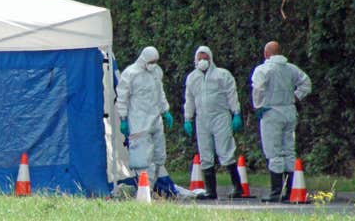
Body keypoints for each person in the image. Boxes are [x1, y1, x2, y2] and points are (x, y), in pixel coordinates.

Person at [251, 41, 311, 202]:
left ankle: (276, 192)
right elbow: (306, 84)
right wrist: (295, 97)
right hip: (289, 112)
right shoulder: (291, 68)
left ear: (266, 54)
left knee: (274, 152)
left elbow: (258, 89)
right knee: (289, 151)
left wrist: (258, 107)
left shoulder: (264, 69)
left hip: (271, 113)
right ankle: (291, 191)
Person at [183, 45, 244, 199]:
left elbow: (231, 94)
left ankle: (237, 187)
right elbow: (189, 100)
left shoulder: (222, 75)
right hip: (201, 118)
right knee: (205, 153)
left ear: (210, 59)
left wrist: (236, 112)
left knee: (226, 150)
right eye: (200, 58)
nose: (202, 61)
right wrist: (187, 118)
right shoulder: (192, 78)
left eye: (205, 58)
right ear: (195, 60)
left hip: (220, 116)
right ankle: (211, 191)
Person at [116, 46, 174, 188]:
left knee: (159, 157)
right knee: (142, 159)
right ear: (144, 58)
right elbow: (122, 97)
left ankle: (151, 188)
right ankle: (144, 190)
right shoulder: (130, 73)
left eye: (156, 61)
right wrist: (123, 119)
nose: (153, 64)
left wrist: (165, 111)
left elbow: (160, 93)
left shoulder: (156, 72)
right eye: (151, 61)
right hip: (139, 122)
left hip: (155, 121)